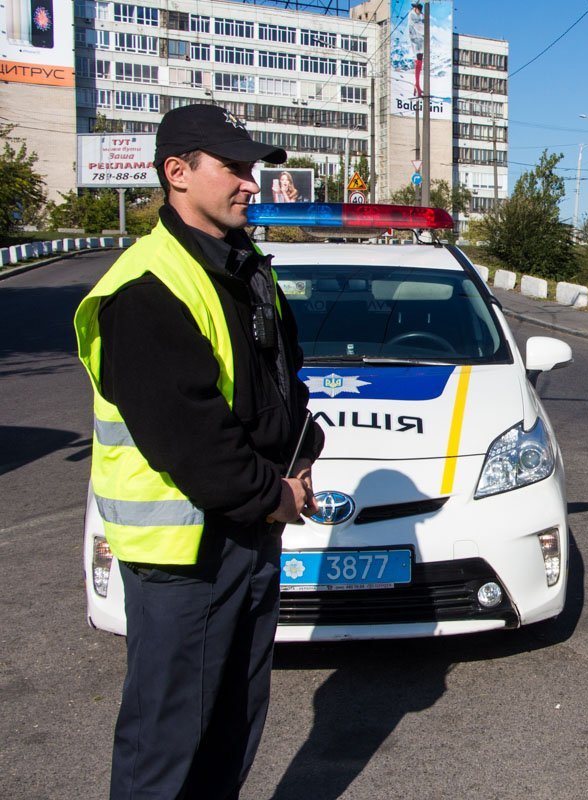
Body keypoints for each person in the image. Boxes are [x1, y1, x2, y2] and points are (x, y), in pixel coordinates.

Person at [74, 104, 324, 800]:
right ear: (177, 173)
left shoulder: (244, 266)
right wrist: (277, 496)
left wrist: (302, 453)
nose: (251, 183)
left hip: (244, 538)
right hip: (183, 557)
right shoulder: (145, 288)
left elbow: (281, 383)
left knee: (230, 732)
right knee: (168, 747)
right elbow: (192, 437)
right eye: (235, 168)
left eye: (252, 169)